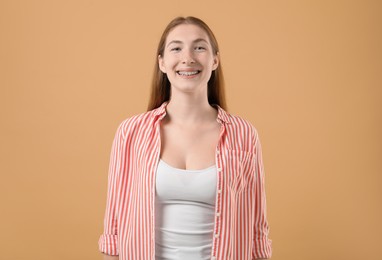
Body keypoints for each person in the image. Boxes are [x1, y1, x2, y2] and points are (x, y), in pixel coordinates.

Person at [99, 16, 272, 260]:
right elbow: (113, 233)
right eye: (176, 48)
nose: (188, 58)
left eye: (199, 47)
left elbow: (257, 233)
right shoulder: (131, 132)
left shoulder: (243, 134)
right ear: (162, 62)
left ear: (214, 61)